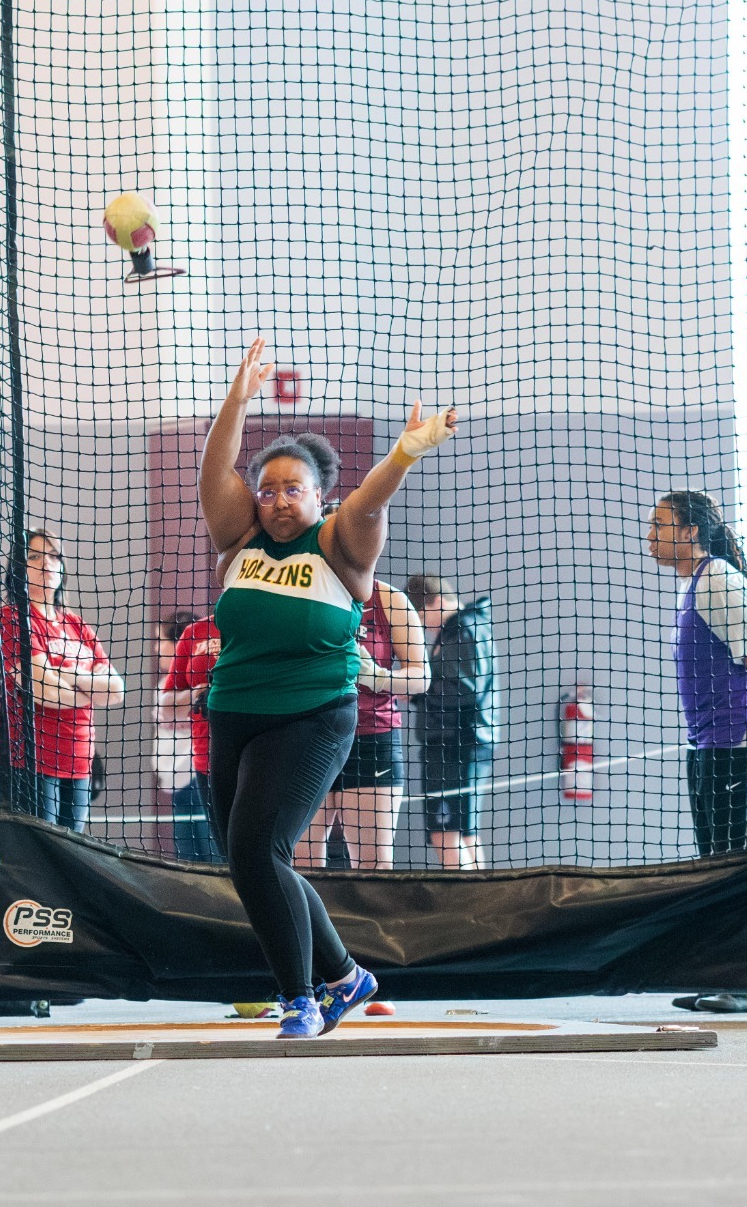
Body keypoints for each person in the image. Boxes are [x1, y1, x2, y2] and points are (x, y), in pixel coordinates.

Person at [198, 336, 458, 1038]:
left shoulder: (339, 545)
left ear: (320, 496)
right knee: (253, 859)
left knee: (258, 851)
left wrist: (404, 452)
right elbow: (212, 470)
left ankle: (301, 997)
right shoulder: (239, 542)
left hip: (314, 715)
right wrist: (238, 398)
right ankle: (347, 974)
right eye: (270, 487)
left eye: (296, 488)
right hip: (234, 712)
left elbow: (371, 503)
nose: (280, 499)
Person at [647, 490, 747, 1014]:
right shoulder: (693, 584)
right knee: (717, 865)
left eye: (661, 525)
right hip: (713, 745)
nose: (651, 534)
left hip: (745, 744)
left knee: (742, 865)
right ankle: (724, 975)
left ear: (691, 532)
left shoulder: (719, 582)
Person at [0, 528, 124, 834]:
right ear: (19, 568)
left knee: (73, 853)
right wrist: (89, 687)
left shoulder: (76, 625)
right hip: (29, 759)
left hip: (79, 761)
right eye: (35, 556)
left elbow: (117, 689)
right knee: (39, 856)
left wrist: (67, 676)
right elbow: (43, 692)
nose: (46, 564)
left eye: (53, 556)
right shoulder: (13, 618)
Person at [301, 578, 428, 870]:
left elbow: (422, 677)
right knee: (300, 863)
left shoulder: (388, 600)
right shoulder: (305, 591)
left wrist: (378, 677)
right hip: (307, 737)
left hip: (372, 740)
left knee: (375, 866)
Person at [405, 573, 501, 871]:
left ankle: (468, 908)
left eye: (419, 614)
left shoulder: (464, 630)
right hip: (460, 745)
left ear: (435, 602)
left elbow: (463, 688)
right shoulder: (462, 629)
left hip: (455, 746)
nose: (420, 623)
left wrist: (416, 693)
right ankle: (479, 906)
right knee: (464, 833)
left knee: (446, 833)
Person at [156, 610, 220, 862]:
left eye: (160, 641)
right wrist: (200, 692)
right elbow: (167, 706)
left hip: (255, 762)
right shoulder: (196, 634)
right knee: (195, 863)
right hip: (201, 770)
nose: (156, 648)